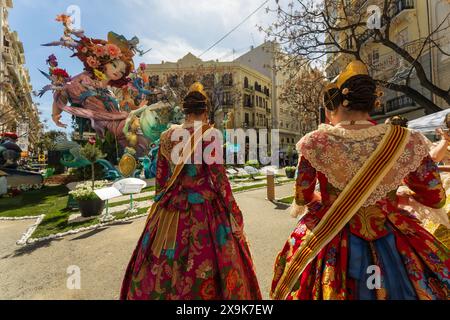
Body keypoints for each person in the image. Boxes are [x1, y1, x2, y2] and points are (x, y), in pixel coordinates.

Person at [271, 61, 450, 300]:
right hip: (392, 233)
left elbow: (303, 196)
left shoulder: (315, 142)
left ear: (331, 106)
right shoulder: (407, 140)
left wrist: (328, 201)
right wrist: (397, 195)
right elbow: (435, 197)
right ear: (371, 103)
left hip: (330, 237)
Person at [121, 83, 262, 300]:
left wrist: (160, 209)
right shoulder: (210, 134)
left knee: (160, 265)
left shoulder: (167, 137)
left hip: (170, 211)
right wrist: (234, 213)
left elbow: (161, 180)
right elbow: (220, 181)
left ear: (184, 110)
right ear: (205, 112)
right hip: (205, 212)